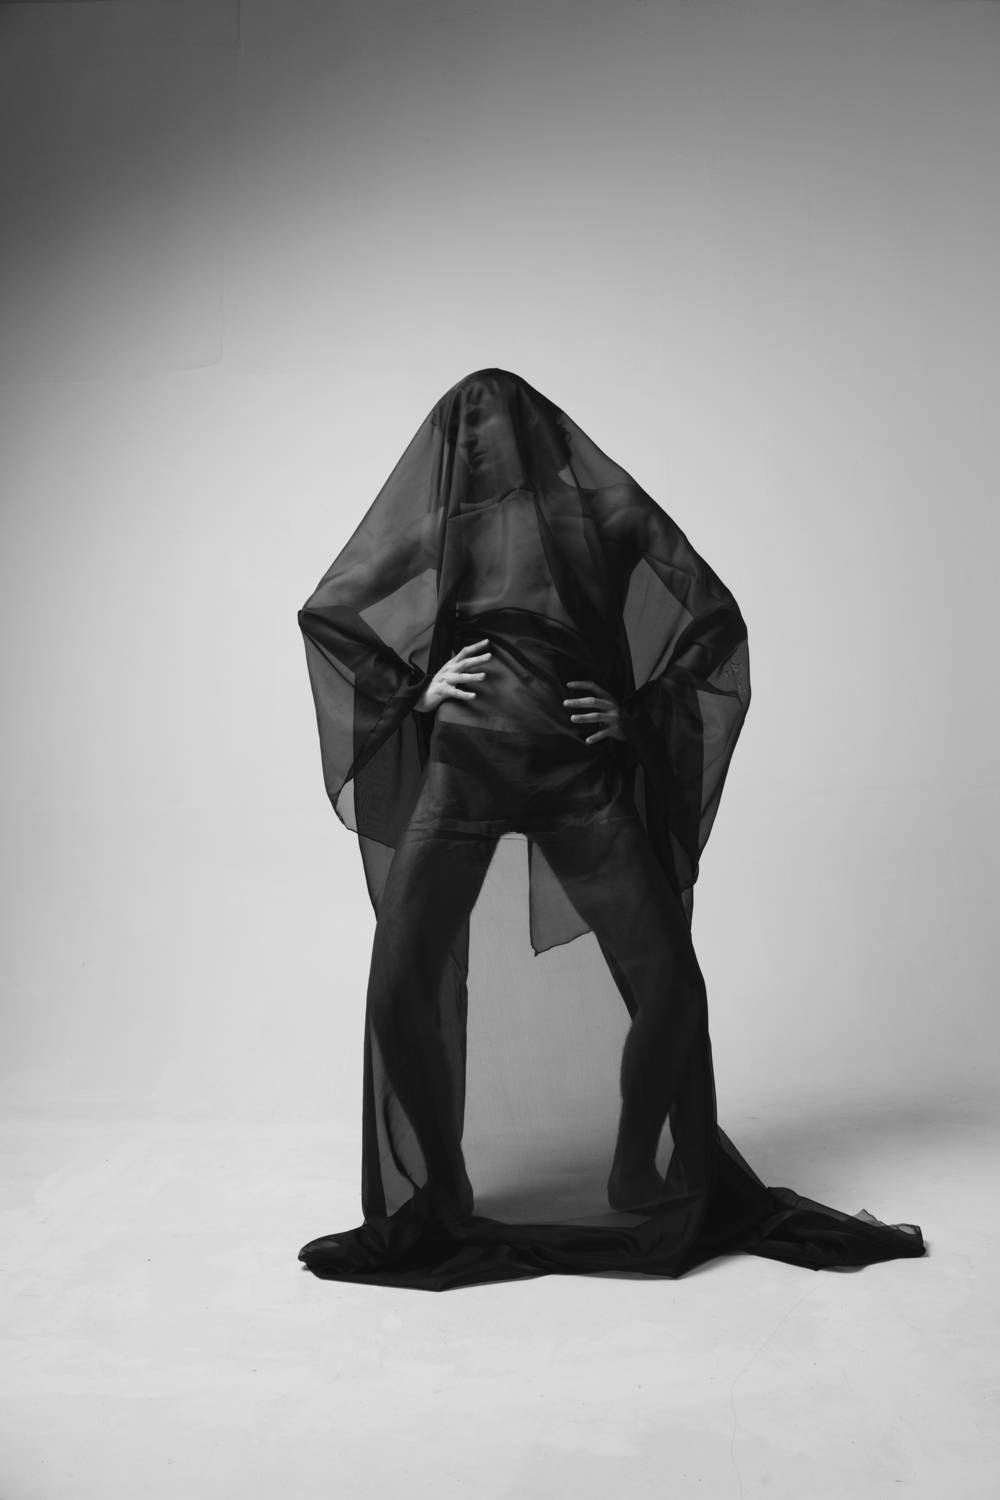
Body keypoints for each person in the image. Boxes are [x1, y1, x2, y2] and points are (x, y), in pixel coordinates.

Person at [296, 368, 925, 1291]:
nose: (470, 443)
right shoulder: (444, 527)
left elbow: (713, 621)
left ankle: (638, 1167)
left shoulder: (611, 515)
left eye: (486, 423)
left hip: (577, 782)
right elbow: (332, 610)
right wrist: (415, 691)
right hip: (462, 778)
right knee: (401, 985)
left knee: (668, 981)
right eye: (460, 429)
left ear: (532, 430)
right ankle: (438, 1192)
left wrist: (634, 712)